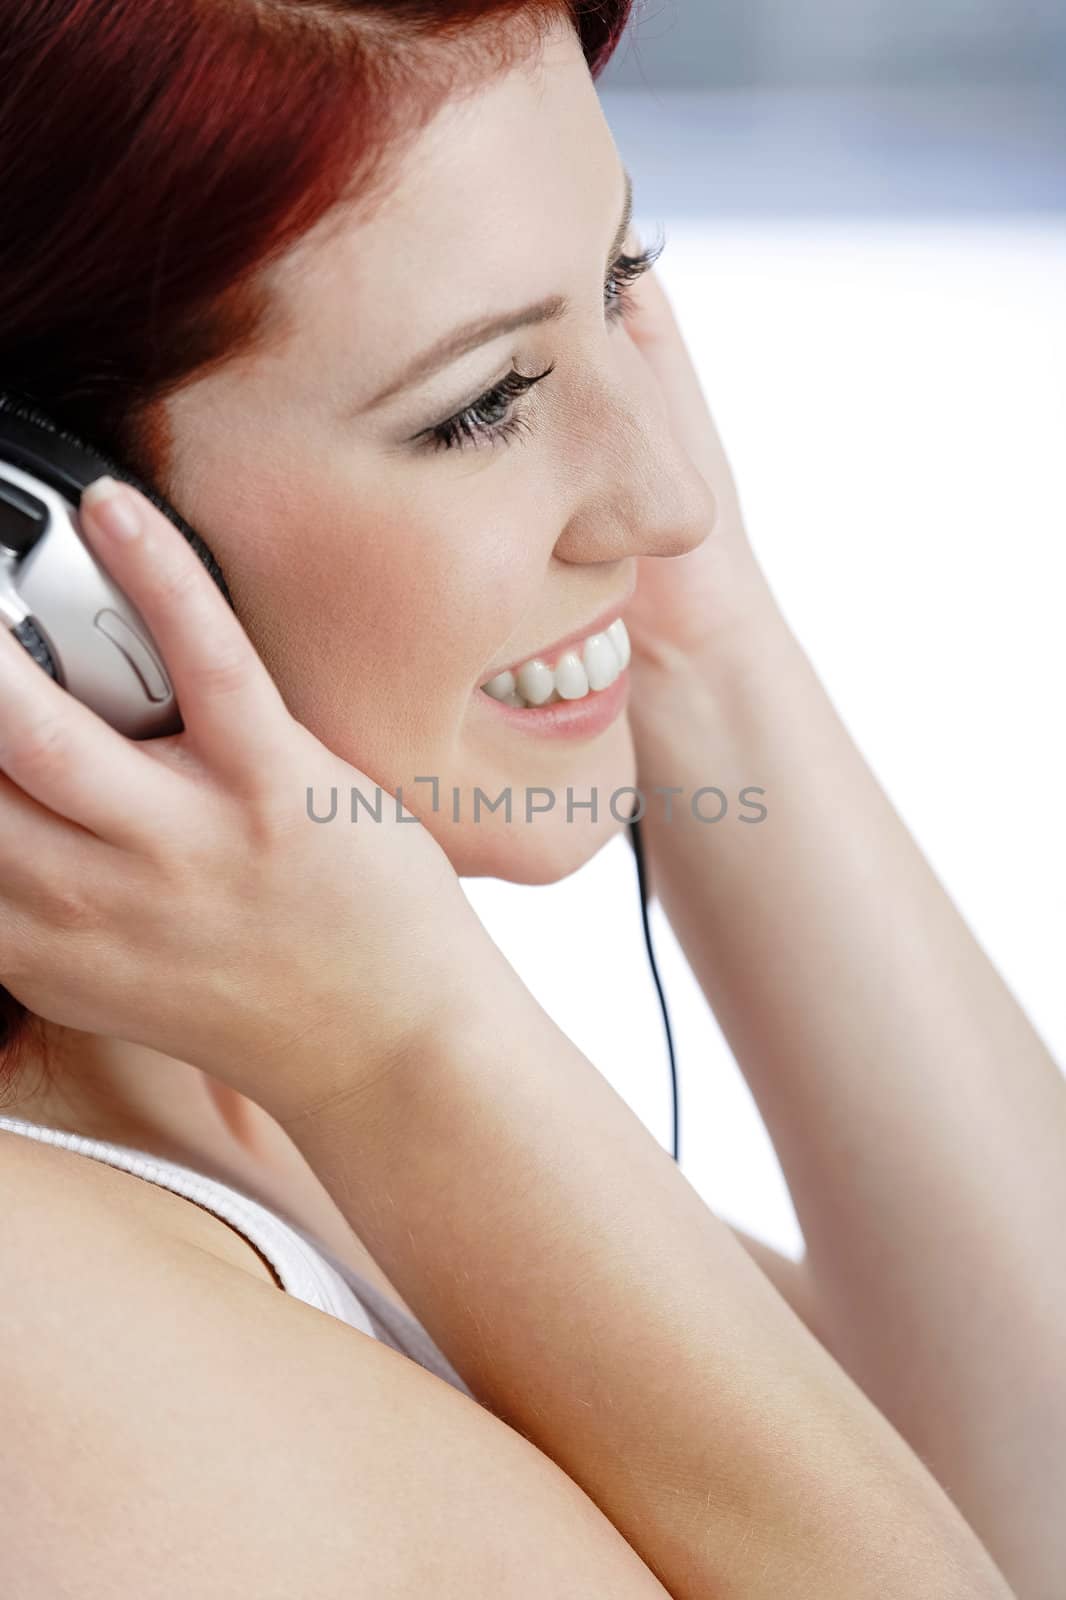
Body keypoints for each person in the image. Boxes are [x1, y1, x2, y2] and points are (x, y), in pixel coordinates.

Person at [0, 4, 1061, 1596]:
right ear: (37, 563)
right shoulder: (58, 1341)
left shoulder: (265, 1103)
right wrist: (404, 1050)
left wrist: (700, 646)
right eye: (483, 403)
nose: (671, 494)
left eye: (625, 284)